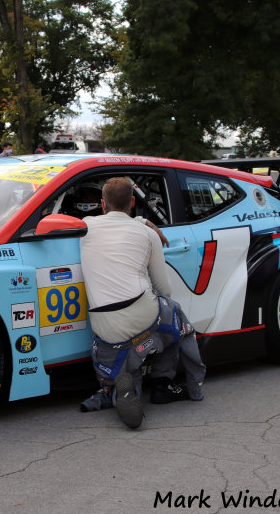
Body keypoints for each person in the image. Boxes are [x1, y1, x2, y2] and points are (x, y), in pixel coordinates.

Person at [78, 177, 205, 428]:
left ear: (102, 204)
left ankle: (122, 392)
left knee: (123, 355)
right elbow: (164, 289)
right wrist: (145, 222)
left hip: (103, 325)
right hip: (142, 311)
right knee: (174, 318)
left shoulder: (86, 226)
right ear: (133, 202)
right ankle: (172, 384)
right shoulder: (147, 234)